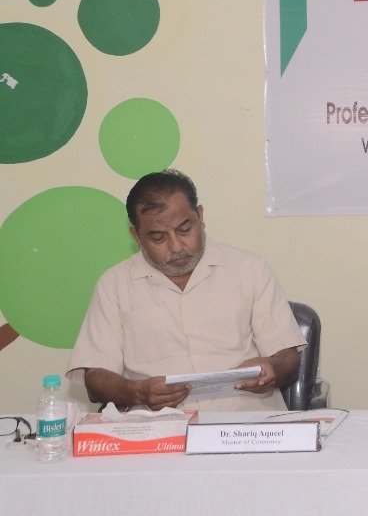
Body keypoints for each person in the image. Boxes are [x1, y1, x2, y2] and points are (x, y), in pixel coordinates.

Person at [67, 170, 304, 411]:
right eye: (158, 237)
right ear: (136, 236)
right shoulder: (115, 284)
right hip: (157, 430)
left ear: (200, 216)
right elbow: (95, 379)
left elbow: (288, 358)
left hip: (246, 424)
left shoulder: (250, 269)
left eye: (184, 229)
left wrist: (273, 368)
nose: (177, 247)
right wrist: (136, 392)